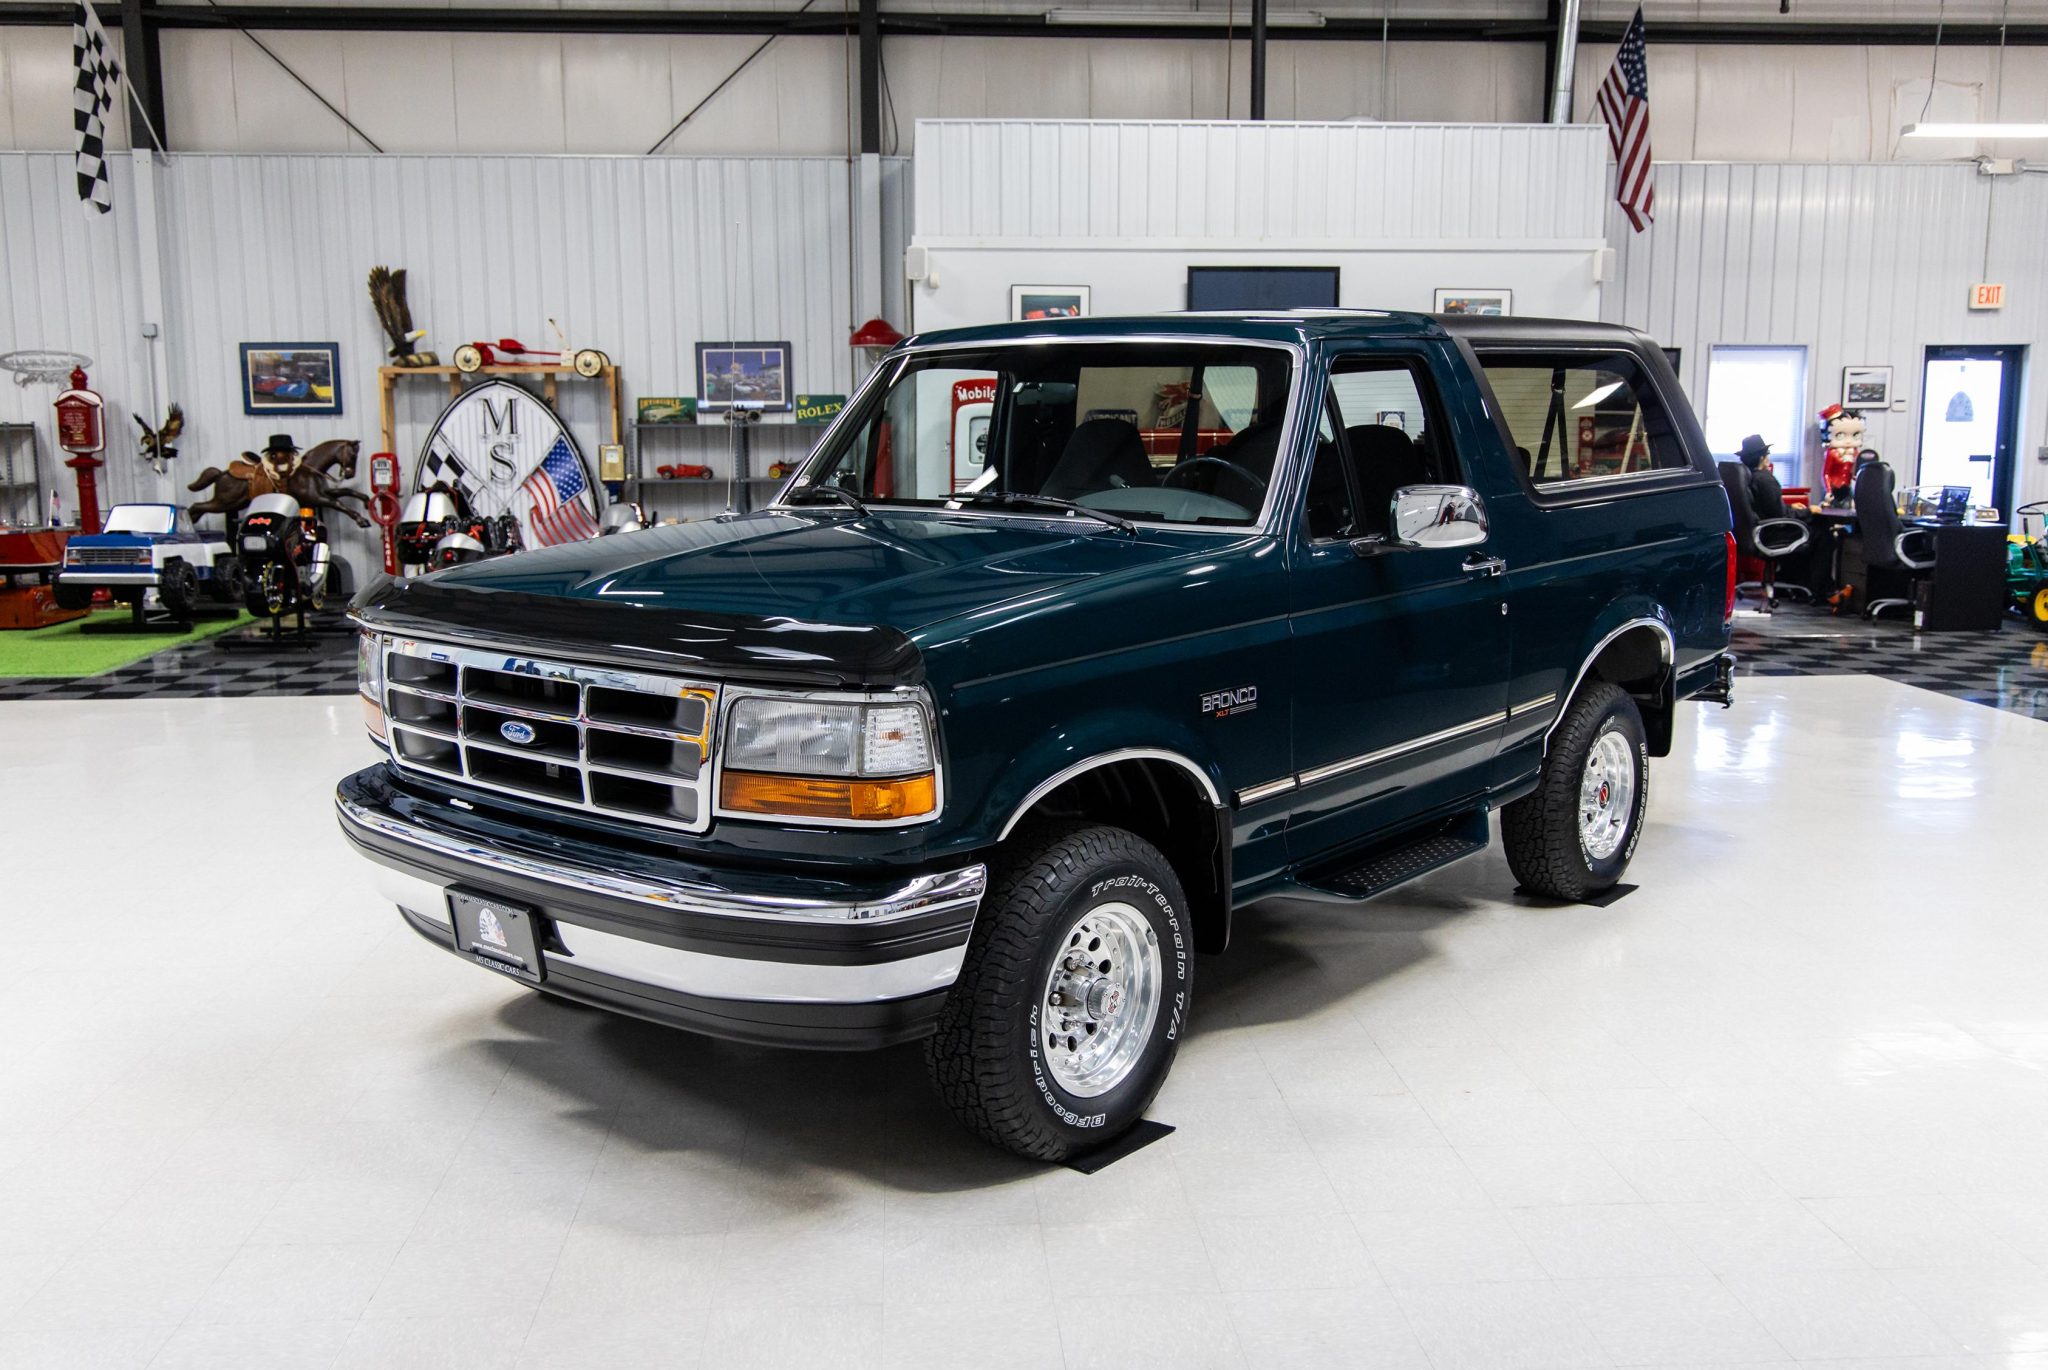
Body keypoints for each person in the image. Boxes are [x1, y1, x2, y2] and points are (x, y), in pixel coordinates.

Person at [1737, 434, 1785, 520]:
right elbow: (1779, 515)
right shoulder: (1764, 479)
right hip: (1776, 529)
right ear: (1762, 458)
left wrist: (1790, 507)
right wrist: (1808, 511)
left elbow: (1771, 507)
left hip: (1760, 527)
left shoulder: (1745, 477)